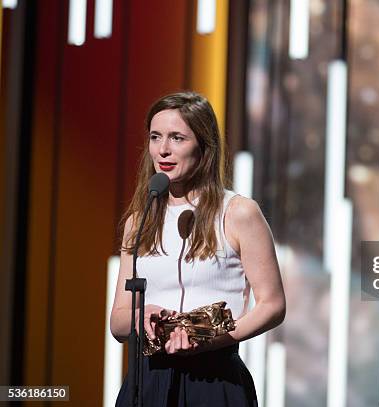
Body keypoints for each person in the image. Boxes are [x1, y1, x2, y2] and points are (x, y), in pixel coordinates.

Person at [110, 91, 285, 406]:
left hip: (214, 379)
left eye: (177, 138)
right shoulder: (140, 220)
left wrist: (209, 339)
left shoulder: (239, 212)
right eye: (155, 137)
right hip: (147, 380)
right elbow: (118, 323)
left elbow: (272, 305)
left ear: (204, 146)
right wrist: (142, 316)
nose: (163, 149)